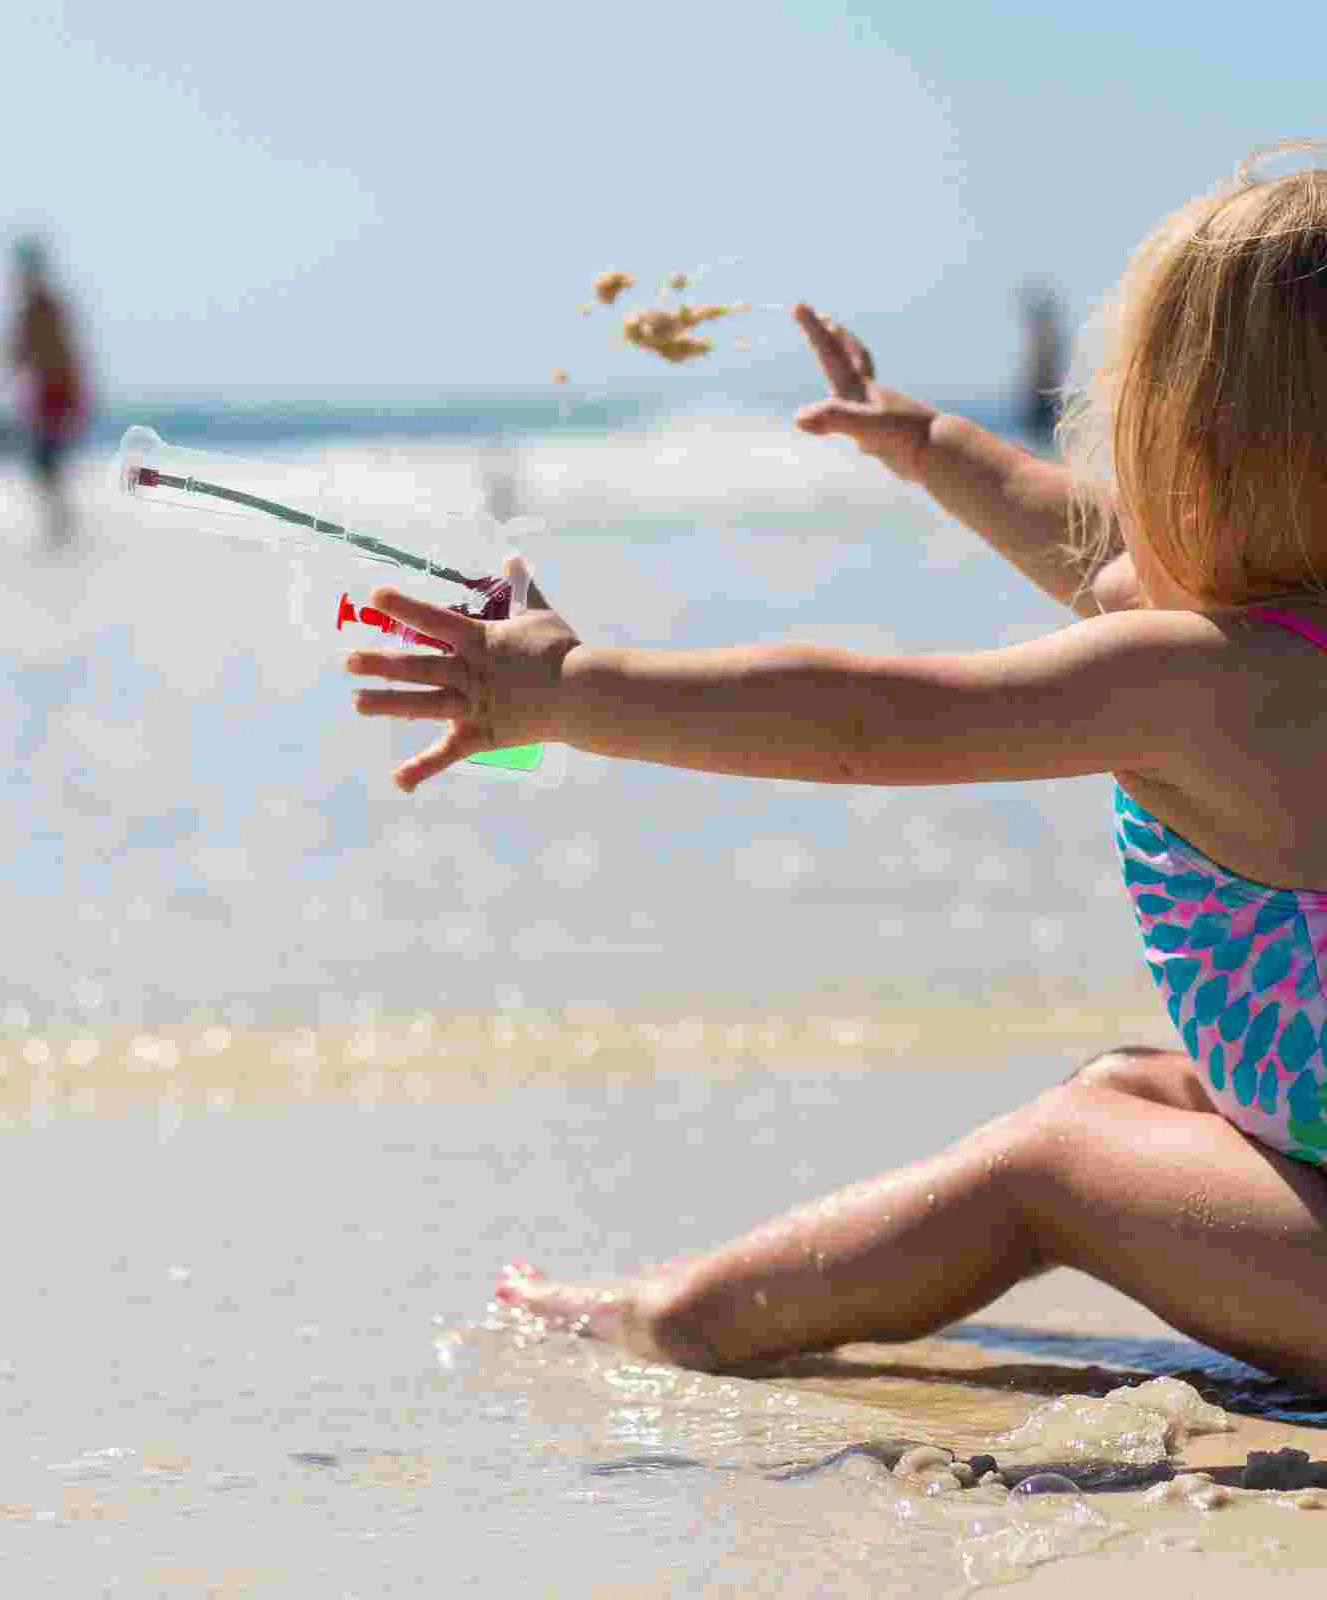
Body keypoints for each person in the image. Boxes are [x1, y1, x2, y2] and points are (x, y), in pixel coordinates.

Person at [343, 145, 1327, 1389]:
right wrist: (928, 445)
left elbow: (863, 723)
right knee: (1132, 1087)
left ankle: (679, 1315)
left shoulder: (1199, 684)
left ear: (1183, 444)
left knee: (1059, 1156)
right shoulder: (1270, 654)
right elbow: (1094, 556)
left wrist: (571, 690)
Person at [6, 236, 88, 546]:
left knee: (46, 461)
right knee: (45, 463)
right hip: (48, 396)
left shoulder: (45, 307)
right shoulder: (34, 308)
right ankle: (59, 523)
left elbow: (45, 353)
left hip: (58, 395)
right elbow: (18, 355)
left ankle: (61, 525)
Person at [1017, 279, 1067, 443]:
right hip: (1042, 398)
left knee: (1044, 438)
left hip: (1046, 398)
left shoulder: (1046, 337)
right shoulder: (1044, 337)